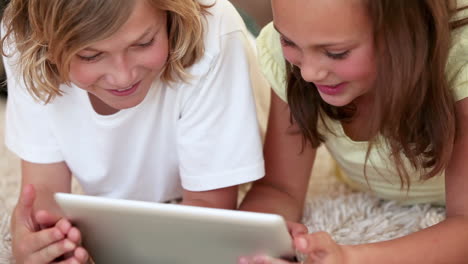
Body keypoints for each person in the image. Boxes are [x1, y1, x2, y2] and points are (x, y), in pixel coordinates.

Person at [1, 0, 266, 263]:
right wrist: (43, 239)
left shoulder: (217, 32)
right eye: (91, 55)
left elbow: (209, 213)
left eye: (143, 43)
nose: (123, 76)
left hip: (242, 52)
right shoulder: (24, 39)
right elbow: (44, 190)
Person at [239, 0, 468, 263]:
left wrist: (350, 257)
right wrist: (255, 241)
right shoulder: (297, 49)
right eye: (288, 42)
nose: (309, 73)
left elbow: (464, 224)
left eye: (336, 53)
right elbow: (279, 188)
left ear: (406, 34)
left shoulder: (461, 64)